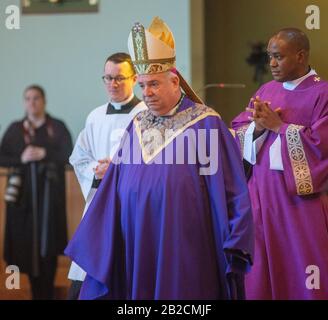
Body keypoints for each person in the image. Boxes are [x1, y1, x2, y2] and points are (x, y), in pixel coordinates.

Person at [65, 17, 254, 300]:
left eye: (153, 84)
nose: (147, 93)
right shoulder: (137, 124)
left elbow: (232, 190)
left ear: (174, 81)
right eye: (142, 85)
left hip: (186, 242)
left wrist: (237, 238)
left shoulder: (206, 124)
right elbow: (113, 188)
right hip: (137, 242)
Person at [232, 28, 328, 299]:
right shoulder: (267, 90)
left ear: (300, 56)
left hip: (298, 202)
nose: (271, 64)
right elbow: (241, 127)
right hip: (260, 197)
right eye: (269, 57)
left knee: (301, 270)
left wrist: (280, 127)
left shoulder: (323, 93)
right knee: (259, 272)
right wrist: (258, 130)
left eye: (278, 57)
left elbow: (321, 147)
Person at [66, 52, 147, 299]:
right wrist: (97, 171)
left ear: (133, 79)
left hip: (130, 206)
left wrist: (117, 169)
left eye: (119, 78)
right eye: (108, 78)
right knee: (90, 270)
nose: (113, 84)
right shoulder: (95, 117)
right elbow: (78, 158)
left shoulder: (146, 115)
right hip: (99, 203)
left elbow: (153, 164)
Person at [0, 85, 72, 299]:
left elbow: (70, 154)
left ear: (44, 101)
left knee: (48, 250)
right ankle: (27, 292)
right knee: (23, 252)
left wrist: (45, 153)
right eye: (28, 98)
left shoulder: (57, 127)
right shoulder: (15, 129)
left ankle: (47, 293)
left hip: (51, 203)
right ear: (24, 102)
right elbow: (2, 158)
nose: (32, 102)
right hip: (22, 206)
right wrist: (22, 158)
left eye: (36, 98)